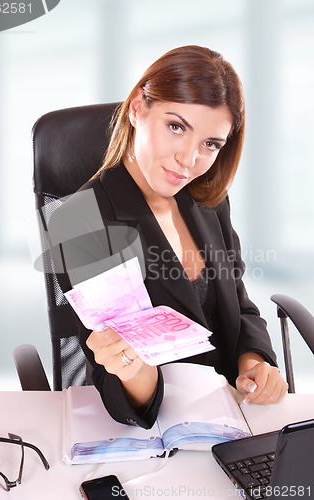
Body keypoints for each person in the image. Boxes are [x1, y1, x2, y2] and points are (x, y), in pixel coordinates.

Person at [49, 45, 288, 430]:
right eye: (176, 126)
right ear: (137, 108)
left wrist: (255, 363)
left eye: (210, 144)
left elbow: (239, 305)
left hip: (236, 410)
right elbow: (117, 382)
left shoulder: (207, 199)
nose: (189, 160)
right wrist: (131, 367)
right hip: (165, 429)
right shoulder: (81, 221)